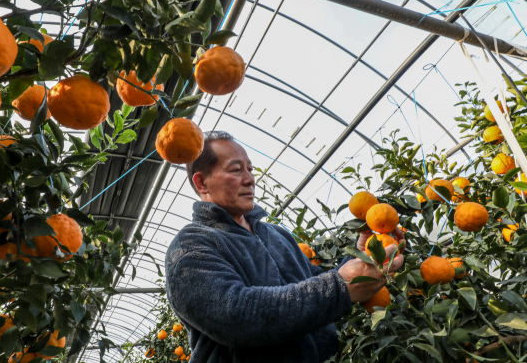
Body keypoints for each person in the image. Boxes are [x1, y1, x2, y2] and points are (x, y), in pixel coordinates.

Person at [165, 131, 405, 363]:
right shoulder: (190, 246)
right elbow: (236, 315)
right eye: (236, 170)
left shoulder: (276, 234)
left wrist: (362, 260)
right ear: (202, 182)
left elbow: (314, 283)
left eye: (249, 168)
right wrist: (338, 289)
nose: (250, 179)